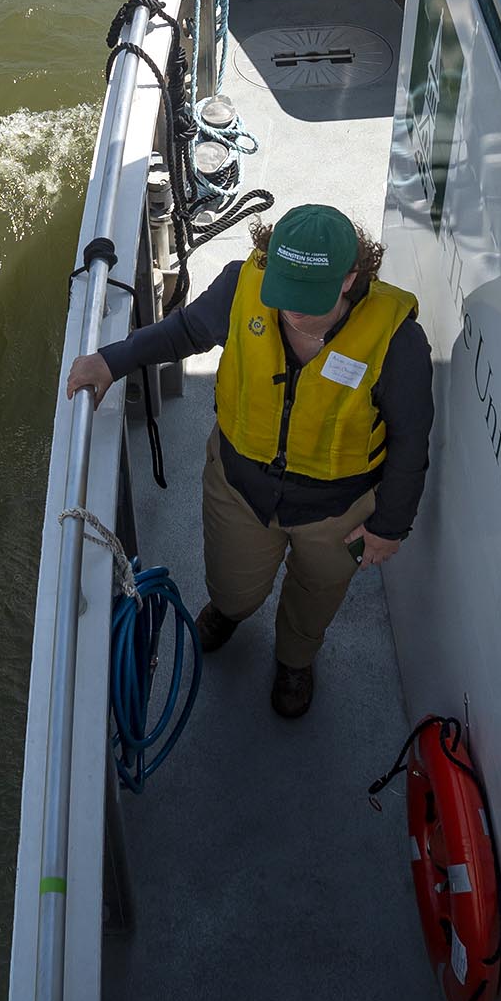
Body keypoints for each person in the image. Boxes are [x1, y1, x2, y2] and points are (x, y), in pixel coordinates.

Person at [64, 204, 431, 720]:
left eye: (308, 300)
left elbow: (412, 443)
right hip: (240, 484)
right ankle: (231, 612)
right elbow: (183, 331)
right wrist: (111, 360)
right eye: (284, 295)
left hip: (338, 509)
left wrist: (389, 527)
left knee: (316, 598)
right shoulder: (242, 285)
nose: (291, 312)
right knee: (232, 585)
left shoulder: (398, 341)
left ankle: (295, 661)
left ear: (351, 279)